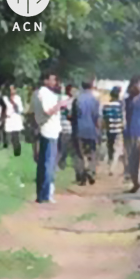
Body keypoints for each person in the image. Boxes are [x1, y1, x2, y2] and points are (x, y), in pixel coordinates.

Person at [32, 71, 71, 203]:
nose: (55, 83)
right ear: (45, 81)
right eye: (52, 80)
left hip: (45, 130)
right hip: (49, 131)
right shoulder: (44, 94)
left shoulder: (38, 93)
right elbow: (48, 111)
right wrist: (60, 104)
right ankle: (45, 194)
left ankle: (42, 194)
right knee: (48, 164)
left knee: (43, 164)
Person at [70, 79, 101, 185]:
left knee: (80, 154)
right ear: (92, 86)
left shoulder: (77, 99)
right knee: (92, 152)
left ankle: (82, 175)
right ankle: (91, 171)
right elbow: (97, 117)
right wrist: (99, 131)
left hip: (79, 129)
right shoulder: (95, 100)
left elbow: (72, 116)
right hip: (91, 129)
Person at [102, 87, 126, 177]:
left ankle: (109, 165)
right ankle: (112, 167)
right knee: (117, 149)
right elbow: (123, 117)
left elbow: (104, 119)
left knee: (110, 148)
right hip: (118, 129)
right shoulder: (121, 106)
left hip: (109, 130)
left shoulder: (106, 106)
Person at [0, 84, 24, 157]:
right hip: (7, 119)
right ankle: (5, 146)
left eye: (12, 89)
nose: (11, 91)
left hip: (15, 119)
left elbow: (21, 110)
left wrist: (14, 104)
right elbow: (1, 109)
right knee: (6, 134)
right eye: (9, 89)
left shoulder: (18, 98)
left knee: (15, 136)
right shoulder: (4, 99)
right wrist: (0, 117)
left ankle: (17, 152)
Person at [58, 84, 77, 170]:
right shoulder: (68, 100)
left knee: (66, 146)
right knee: (64, 146)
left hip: (66, 126)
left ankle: (65, 162)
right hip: (66, 126)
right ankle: (62, 162)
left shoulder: (65, 99)